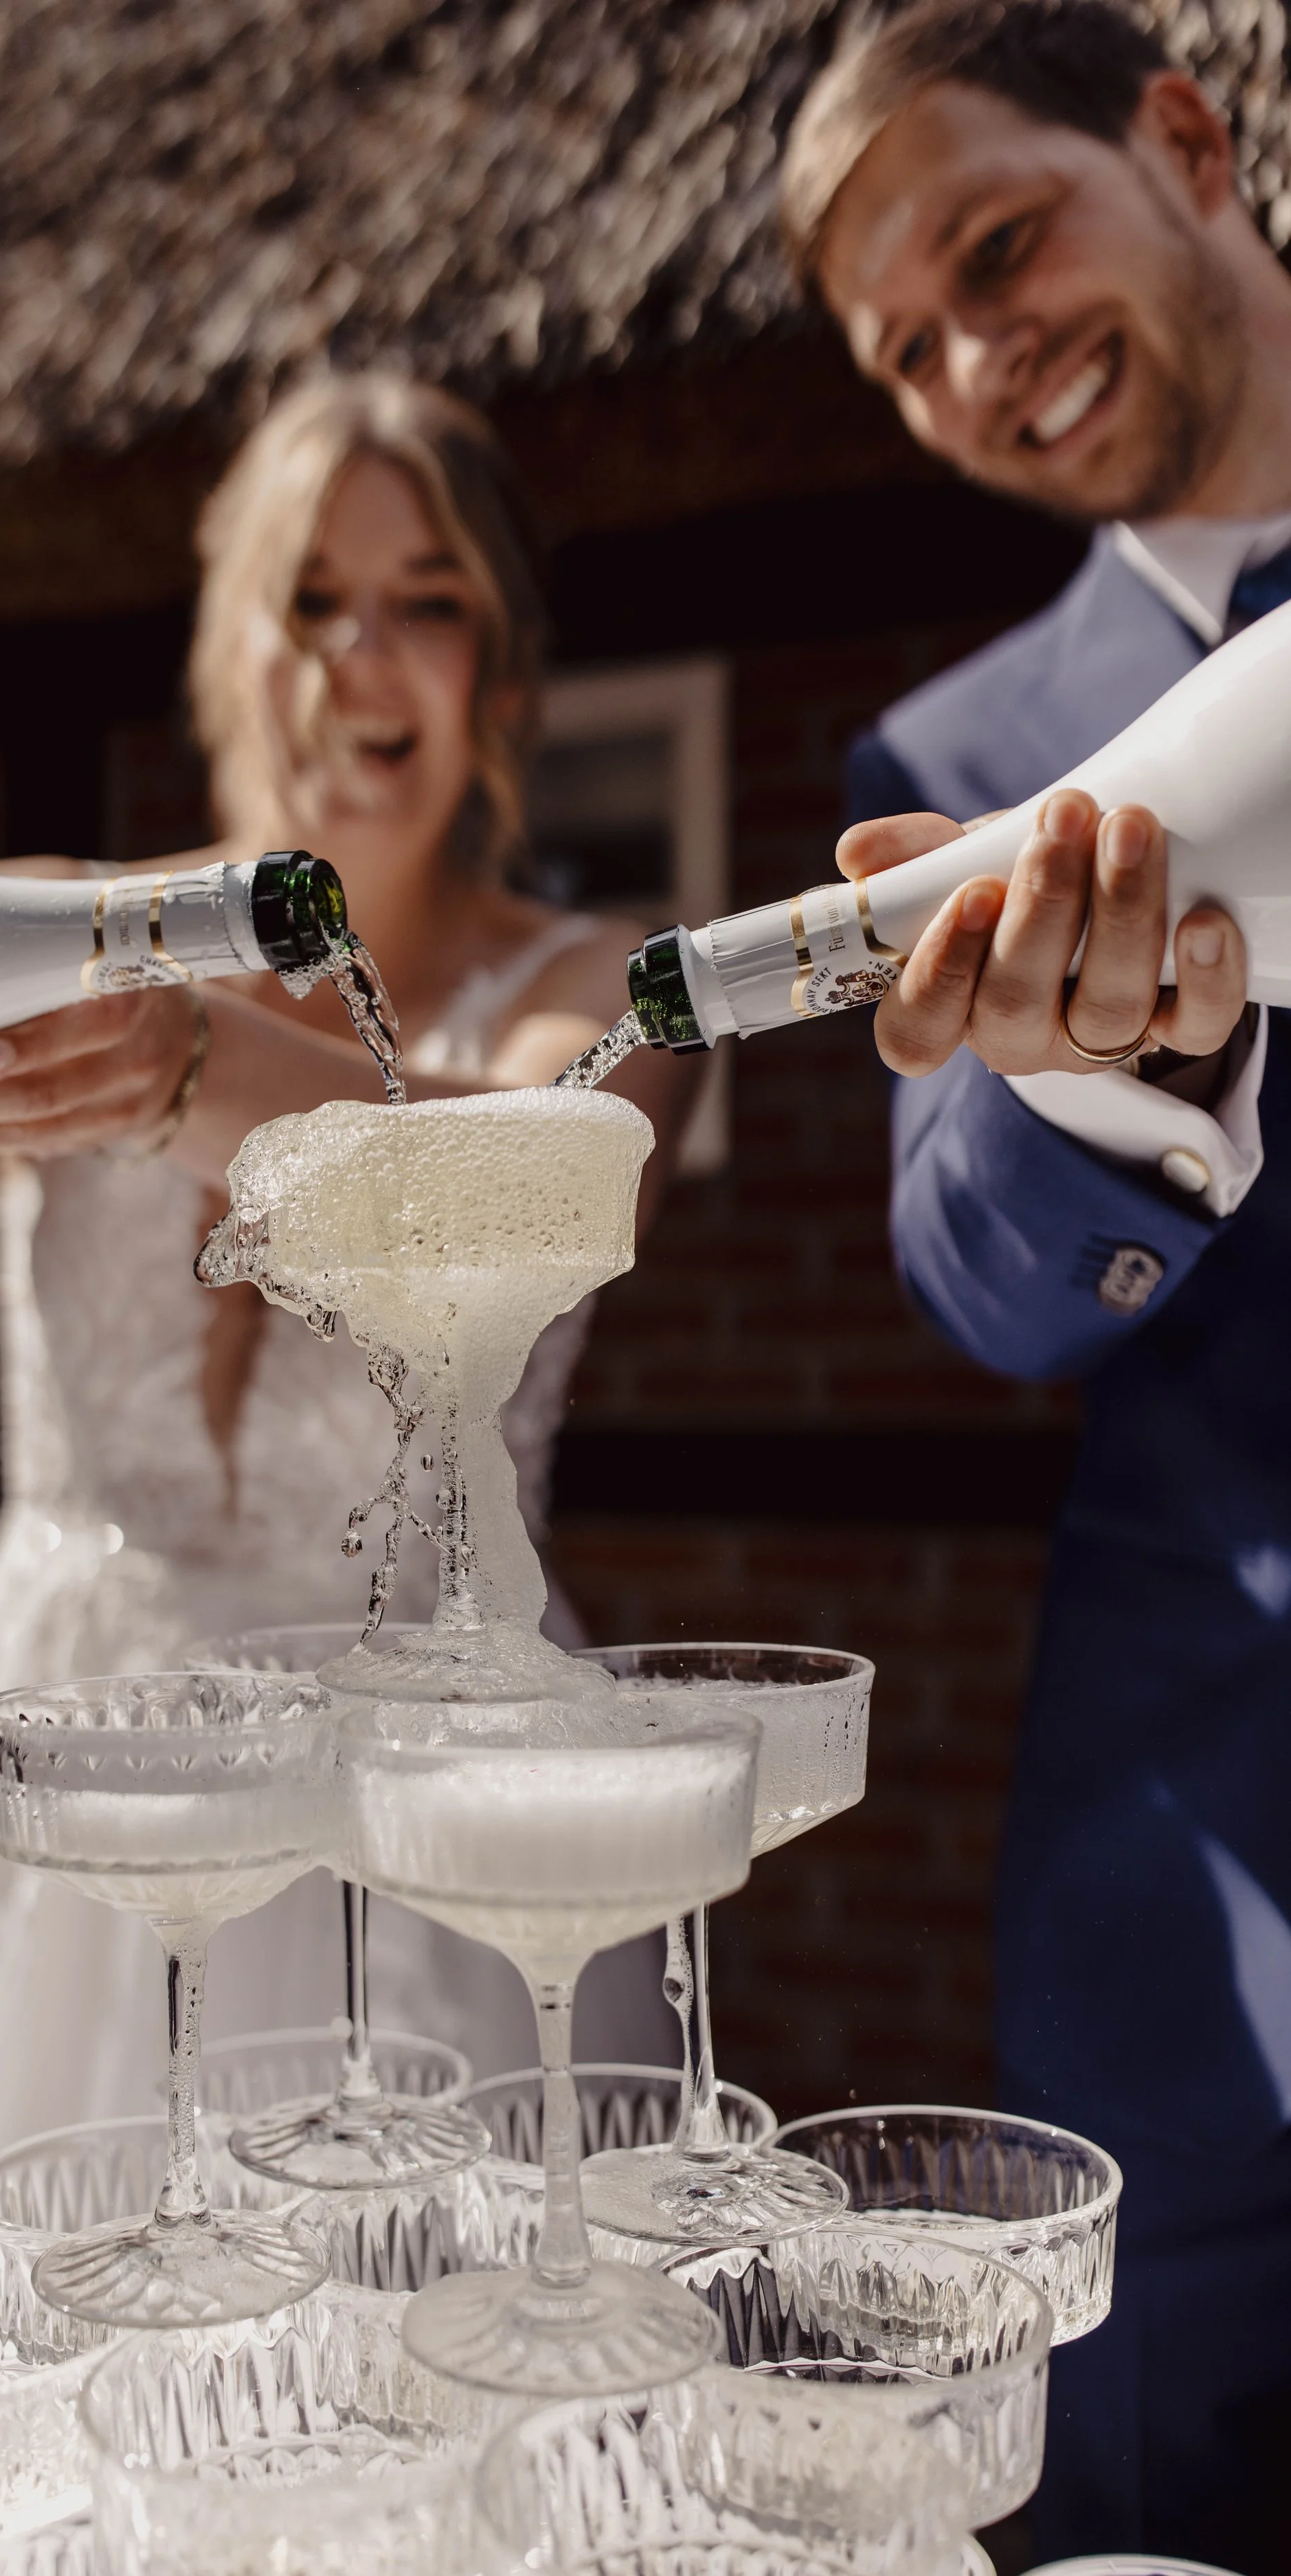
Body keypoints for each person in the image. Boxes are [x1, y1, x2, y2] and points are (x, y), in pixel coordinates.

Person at [0, 374, 696, 2258]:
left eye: (425, 600)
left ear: (496, 668)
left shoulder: (596, 983)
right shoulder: (49, 931)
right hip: (55, 1760)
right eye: (308, 600)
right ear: (226, 652)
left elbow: (533, 1184)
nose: (362, 658)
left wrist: (188, 1067)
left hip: (414, 1786)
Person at [782, 4, 1291, 2559]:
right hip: (1210, 1811)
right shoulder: (962, 744)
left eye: (996, 245)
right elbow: (967, 1280)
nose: (978, 356)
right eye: (907, 348)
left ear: (1185, 140)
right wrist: (1101, 1080)